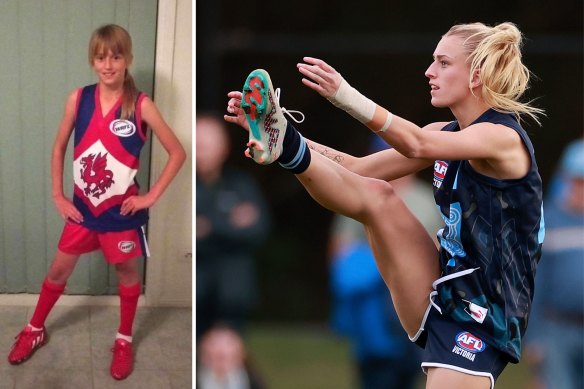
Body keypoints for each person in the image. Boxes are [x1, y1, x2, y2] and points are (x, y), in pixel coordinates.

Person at [224, 22, 544, 389]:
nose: (430, 71)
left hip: (485, 317)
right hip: (438, 286)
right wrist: (279, 130)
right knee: (377, 193)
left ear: (476, 75)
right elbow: (357, 169)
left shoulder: (501, 137)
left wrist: (345, 95)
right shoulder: (446, 133)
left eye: (443, 62)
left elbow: (417, 145)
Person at [7, 24, 186, 380]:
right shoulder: (78, 98)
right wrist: (58, 194)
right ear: (92, 61)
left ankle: (123, 339)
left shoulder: (141, 105)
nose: (108, 65)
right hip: (83, 210)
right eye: (101, 57)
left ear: (127, 59)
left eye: (116, 57)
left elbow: (178, 152)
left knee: (126, 273)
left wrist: (150, 196)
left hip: (120, 214)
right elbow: (59, 146)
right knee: (59, 270)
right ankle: (35, 329)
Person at [328, 136, 441, 389]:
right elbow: (341, 250)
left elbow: (439, 249)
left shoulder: (425, 201)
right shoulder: (362, 194)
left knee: (412, 370)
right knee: (375, 373)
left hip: (416, 300)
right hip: (373, 305)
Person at [196, 113, 271, 340]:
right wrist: (229, 222)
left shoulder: (240, 185)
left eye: (207, 146)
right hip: (196, 294)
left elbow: (259, 229)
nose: (202, 152)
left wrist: (210, 225)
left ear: (224, 149)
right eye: (198, 145)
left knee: (226, 360)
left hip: (233, 297)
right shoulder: (186, 186)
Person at [524, 139, 584, 389]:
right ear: (566, 180)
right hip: (556, 329)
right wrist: (534, 337)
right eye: (578, 182)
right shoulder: (547, 220)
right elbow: (533, 283)